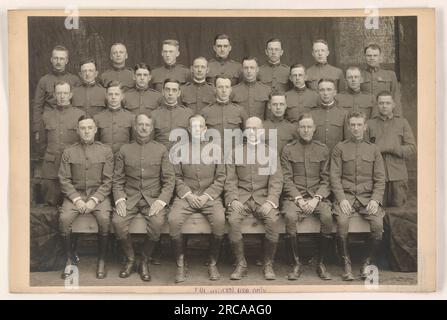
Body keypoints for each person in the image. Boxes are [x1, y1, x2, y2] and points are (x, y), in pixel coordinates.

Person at [112, 114, 175, 281]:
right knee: (118, 222)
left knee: (157, 223)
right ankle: (131, 259)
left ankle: (144, 260)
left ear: (152, 127)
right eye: (140, 124)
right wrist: (119, 199)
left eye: (147, 125)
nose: (144, 128)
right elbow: (117, 179)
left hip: (153, 199)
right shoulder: (124, 150)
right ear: (135, 126)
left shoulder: (161, 149)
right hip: (130, 197)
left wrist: (161, 201)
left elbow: (169, 180)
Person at [168, 115, 226, 283]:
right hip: (186, 197)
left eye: (200, 127)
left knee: (220, 220)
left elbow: (221, 178)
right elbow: (176, 177)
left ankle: (213, 262)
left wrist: (207, 195)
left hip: (210, 197)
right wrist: (189, 195)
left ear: (205, 129)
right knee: (173, 219)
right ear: (188, 130)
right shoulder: (179, 149)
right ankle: (180, 264)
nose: (197, 130)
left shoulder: (215, 149)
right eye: (193, 127)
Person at [225, 117, 283, 280]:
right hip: (241, 198)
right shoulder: (235, 152)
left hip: (263, 198)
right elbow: (230, 180)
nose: (252, 132)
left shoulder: (270, 153)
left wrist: (270, 201)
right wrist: (233, 199)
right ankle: (241, 263)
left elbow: (276, 180)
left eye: (255, 128)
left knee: (272, 221)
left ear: (262, 131)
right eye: (248, 128)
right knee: (233, 220)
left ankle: (268, 263)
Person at [330, 111, 386, 281]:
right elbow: (334, 177)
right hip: (345, 196)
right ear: (348, 126)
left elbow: (380, 178)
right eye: (352, 125)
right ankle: (346, 264)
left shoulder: (374, 149)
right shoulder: (340, 148)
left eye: (359, 124)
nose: (355, 128)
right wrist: (341, 199)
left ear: (365, 126)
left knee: (378, 226)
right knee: (342, 222)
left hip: (367, 198)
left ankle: (366, 262)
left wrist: (375, 200)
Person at [58, 115, 114, 280]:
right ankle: (70, 259)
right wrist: (77, 200)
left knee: (104, 218)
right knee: (64, 218)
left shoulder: (106, 151)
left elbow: (108, 181)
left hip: (99, 196)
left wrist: (93, 200)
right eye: (83, 128)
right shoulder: (69, 152)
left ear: (95, 130)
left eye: (90, 128)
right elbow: (64, 179)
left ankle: (102, 259)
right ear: (77, 130)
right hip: (75, 196)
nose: (86, 131)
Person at [280, 113, 333, 280]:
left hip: (318, 197)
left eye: (309, 127)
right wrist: (299, 199)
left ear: (314, 129)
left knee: (327, 216)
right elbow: (286, 179)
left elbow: (327, 180)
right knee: (289, 216)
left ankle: (321, 262)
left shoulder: (323, 149)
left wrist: (317, 198)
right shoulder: (288, 149)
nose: (306, 130)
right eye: (302, 127)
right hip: (294, 198)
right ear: (298, 129)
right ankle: (296, 263)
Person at [366, 91, 416, 208]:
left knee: (398, 215)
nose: (384, 106)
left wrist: (393, 148)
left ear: (393, 104)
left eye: (387, 103)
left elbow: (412, 148)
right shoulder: (369, 124)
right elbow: (364, 149)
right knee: (377, 213)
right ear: (377, 105)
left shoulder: (402, 123)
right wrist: (377, 149)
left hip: (398, 177)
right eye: (381, 103)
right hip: (377, 177)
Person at [40, 81, 85, 206]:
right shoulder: (46, 116)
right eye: (59, 93)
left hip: (73, 168)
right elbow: (42, 144)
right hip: (51, 169)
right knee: (50, 205)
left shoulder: (80, 115)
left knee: (72, 206)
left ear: (70, 94)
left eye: (65, 93)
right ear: (54, 94)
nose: (62, 96)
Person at [32, 45, 80, 146]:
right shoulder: (44, 81)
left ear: (66, 60)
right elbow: (37, 106)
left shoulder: (74, 80)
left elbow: (76, 105)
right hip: (50, 124)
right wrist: (37, 129)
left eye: (61, 59)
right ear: (51, 60)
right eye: (56, 58)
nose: (58, 61)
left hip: (69, 124)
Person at [200, 76, 248, 142]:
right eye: (220, 87)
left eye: (227, 87)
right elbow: (200, 137)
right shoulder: (205, 112)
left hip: (234, 151)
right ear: (215, 89)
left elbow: (247, 136)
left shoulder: (240, 111)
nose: (224, 90)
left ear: (230, 90)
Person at [151, 79, 194, 150]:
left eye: (174, 90)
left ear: (179, 93)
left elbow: (193, 139)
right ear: (163, 92)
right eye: (167, 90)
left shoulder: (188, 113)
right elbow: (151, 141)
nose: (170, 93)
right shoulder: (154, 114)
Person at [361, 43, 402, 115]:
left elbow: (396, 99)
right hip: (365, 116)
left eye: (375, 55)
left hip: (384, 116)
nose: (372, 58)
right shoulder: (359, 75)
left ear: (380, 57)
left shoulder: (390, 75)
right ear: (365, 57)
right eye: (369, 56)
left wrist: (397, 118)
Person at [93, 81, 134, 154]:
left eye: (117, 94)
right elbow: (95, 143)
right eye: (110, 94)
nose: (113, 97)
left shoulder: (131, 117)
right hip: (104, 157)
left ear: (122, 96)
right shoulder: (97, 118)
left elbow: (133, 142)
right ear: (106, 96)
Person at [310, 79, 348, 151]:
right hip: (317, 157)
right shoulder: (312, 114)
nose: (325, 93)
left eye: (329, 89)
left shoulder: (344, 114)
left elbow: (347, 141)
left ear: (335, 92)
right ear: (318, 92)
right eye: (322, 90)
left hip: (336, 156)